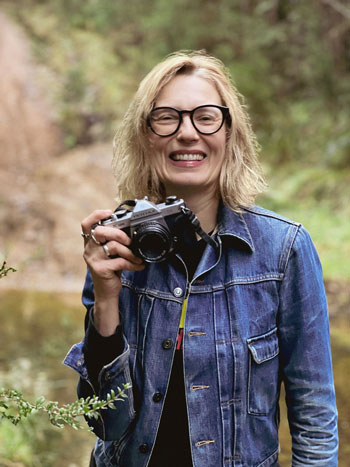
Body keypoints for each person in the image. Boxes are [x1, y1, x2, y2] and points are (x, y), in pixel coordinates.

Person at [64, 50, 338, 467]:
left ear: (230, 132)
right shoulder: (117, 247)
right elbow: (104, 421)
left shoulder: (284, 251)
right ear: (145, 136)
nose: (187, 133)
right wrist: (105, 298)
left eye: (205, 117)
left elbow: (314, 416)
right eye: (167, 117)